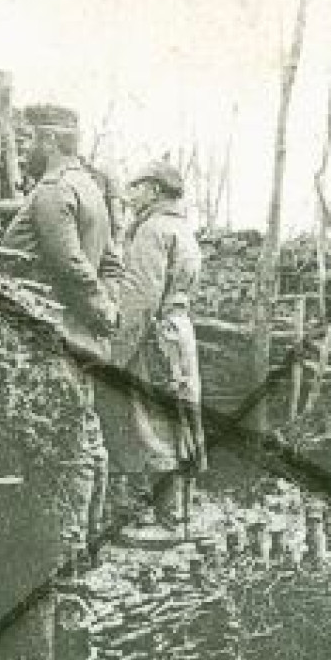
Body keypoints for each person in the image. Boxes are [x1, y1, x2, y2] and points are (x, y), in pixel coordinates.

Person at [0, 104, 121, 554]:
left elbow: (67, 262)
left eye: (31, 140)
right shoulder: (89, 188)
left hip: (55, 330)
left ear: (50, 142)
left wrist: (96, 310)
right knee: (85, 432)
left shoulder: (53, 189)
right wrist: (106, 309)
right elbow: (110, 262)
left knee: (65, 440)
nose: (28, 150)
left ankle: (66, 550)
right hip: (82, 331)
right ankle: (87, 539)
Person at [97, 159, 207, 533]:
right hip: (179, 330)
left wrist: (114, 355)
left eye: (138, 186)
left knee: (152, 420)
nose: (131, 194)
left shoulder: (152, 230)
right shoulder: (182, 228)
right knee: (178, 416)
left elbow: (140, 299)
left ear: (156, 190)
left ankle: (166, 519)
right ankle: (178, 513)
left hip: (156, 332)